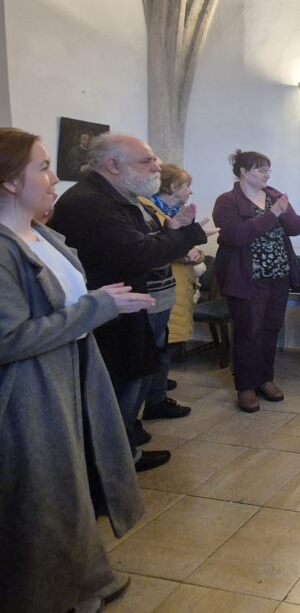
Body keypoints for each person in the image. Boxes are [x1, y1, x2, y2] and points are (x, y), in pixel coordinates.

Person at [0, 127, 154, 613]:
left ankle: (87, 580)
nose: (54, 178)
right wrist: (99, 306)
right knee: (44, 500)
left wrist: (102, 303)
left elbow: (69, 300)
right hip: (31, 395)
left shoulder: (40, 233)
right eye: (43, 167)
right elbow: (8, 339)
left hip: (70, 377)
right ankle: (52, 596)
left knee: (72, 490)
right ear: (10, 181)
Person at [50, 134, 213, 472]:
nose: (156, 166)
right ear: (113, 165)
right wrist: (186, 234)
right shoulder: (91, 203)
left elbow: (140, 246)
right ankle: (111, 468)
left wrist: (172, 230)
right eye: (146, 161)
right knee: (112, 394)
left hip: (123, 310)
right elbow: (138, 254)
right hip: (105, 319)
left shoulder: (116, 198)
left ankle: (124, 455)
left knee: (133, 381)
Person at [213, 150, 300, 412]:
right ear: (243, 172)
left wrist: (283, 211)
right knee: (248, 331)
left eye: (268, 169)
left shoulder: (274, 195)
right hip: (246, 277)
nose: (267, 174)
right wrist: (272, 214)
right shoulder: (227, 201)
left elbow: (296, 228)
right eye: (261, 169)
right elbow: (236, 235)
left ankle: (265, 378)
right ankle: (245, 386)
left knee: (271, 327)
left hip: (278, 275)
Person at [138, 164, 205, 423]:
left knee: (165, 345)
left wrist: (195, 251)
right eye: (186, 185)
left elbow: (184, 245)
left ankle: (158, 391)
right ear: (173, 186)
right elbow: (155, 250)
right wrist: (184, 252)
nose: (190, 191)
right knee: (159, 347)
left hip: (177, 285)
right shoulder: (150, 211)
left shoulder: (174, 212)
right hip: (162, 287)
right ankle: (153, 400)